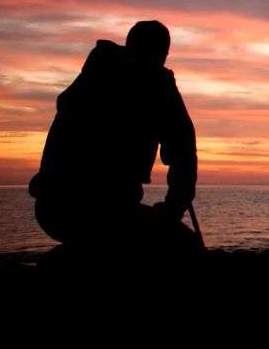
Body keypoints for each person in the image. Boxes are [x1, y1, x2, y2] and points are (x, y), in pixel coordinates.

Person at [28, 20, 199, 254]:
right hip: (102, 211)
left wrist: (172, 207)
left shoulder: (91, 77)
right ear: (162, 53)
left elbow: (183, 150)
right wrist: (173, 209)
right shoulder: (158, 86)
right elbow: (184, 151)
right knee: (185, 246)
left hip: (52, 210)